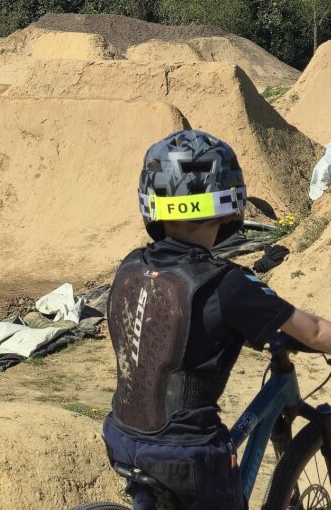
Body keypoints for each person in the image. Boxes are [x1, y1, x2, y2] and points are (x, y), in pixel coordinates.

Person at [102, 129, 331, 509]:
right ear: (229, 202)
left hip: (122, 437)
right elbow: (317, 331)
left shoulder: (130, 266)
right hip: (187, 456)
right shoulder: (228, 284)